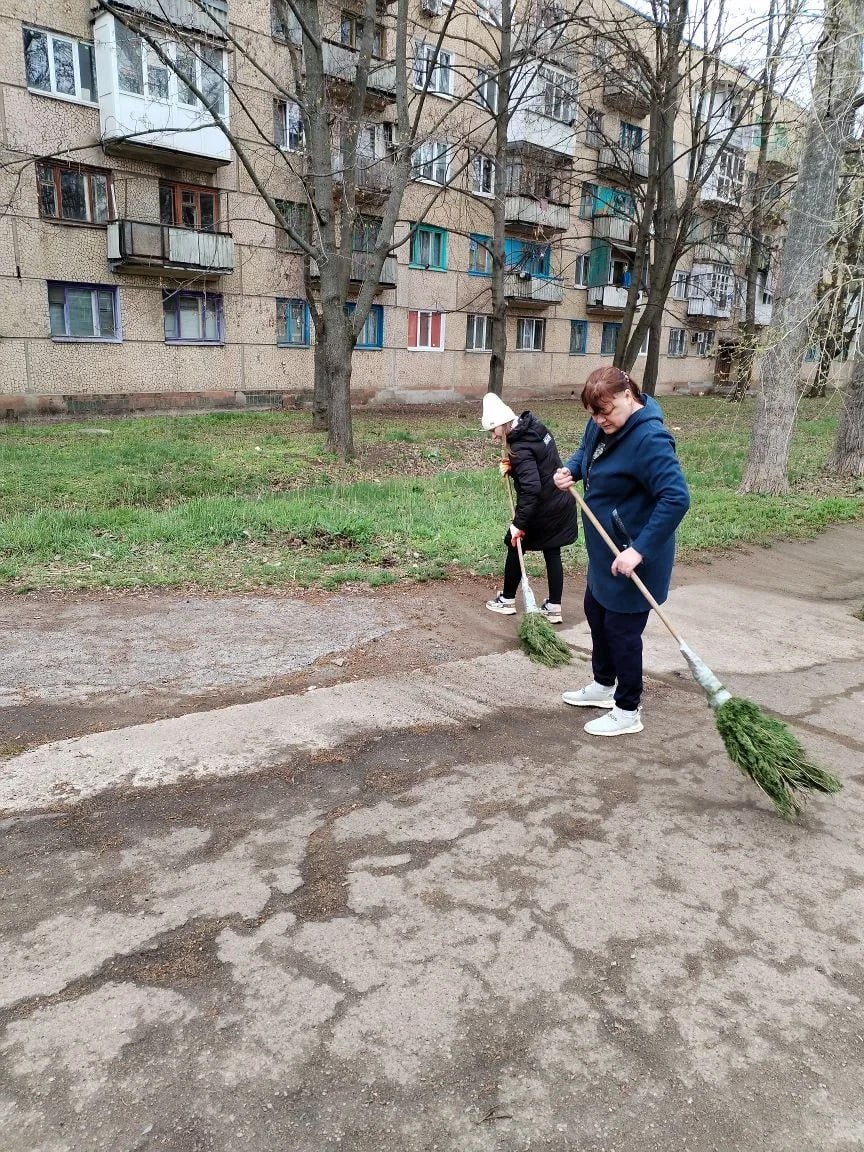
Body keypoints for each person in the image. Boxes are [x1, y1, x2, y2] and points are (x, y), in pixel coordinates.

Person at [553, 367, 690, 737]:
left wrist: (639, 551)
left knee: (622, 633)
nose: (600, 420)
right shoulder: (602, 424)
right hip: (605, 551)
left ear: (628, 395)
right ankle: (603, 685)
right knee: (596, 613)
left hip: (634, 557)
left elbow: (676, 498)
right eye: (594, 413)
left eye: (607, 411)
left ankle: (628, 708)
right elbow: (587, 453)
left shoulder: (651, 439)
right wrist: (570, 471)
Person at [481, 392, 578, 624]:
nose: (493, 437)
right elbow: (541, 463)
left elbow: (531, 488)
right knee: (552, 550)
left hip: (541, 508)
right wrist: (512, 467)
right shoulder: (533, 426)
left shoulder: (520, 446)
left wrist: (518, 524)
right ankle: (553, 607)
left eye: (493, 431)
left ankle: (506, 600)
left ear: (503, 425)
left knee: (514, 544)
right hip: (560, 501)